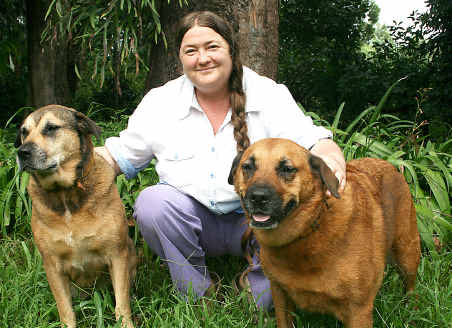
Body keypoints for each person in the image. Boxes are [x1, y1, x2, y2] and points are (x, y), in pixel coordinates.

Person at [96, 10, 346, 310]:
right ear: (180, 58)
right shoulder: (160, 103)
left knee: (265, 305)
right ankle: (197, 290)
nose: (202, 58)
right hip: (194, 219)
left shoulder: (268, 94)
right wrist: (72, 162)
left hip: (258, 222)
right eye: (191, 51)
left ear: (231, 49)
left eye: (212, 47)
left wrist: (332, 160)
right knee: (153, 203)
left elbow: (315, 143)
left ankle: (256, 280)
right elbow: (119, 155)